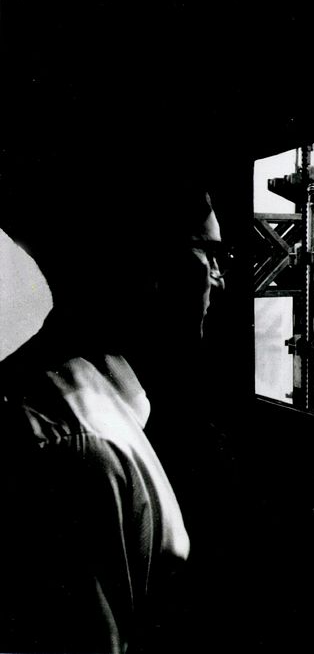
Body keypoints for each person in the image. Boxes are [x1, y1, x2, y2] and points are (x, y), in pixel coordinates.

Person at [0, 175, 229, 654]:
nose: (219, 277)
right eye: (209, 254)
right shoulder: (82, 448)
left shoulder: (80, 403)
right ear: (150, 265)